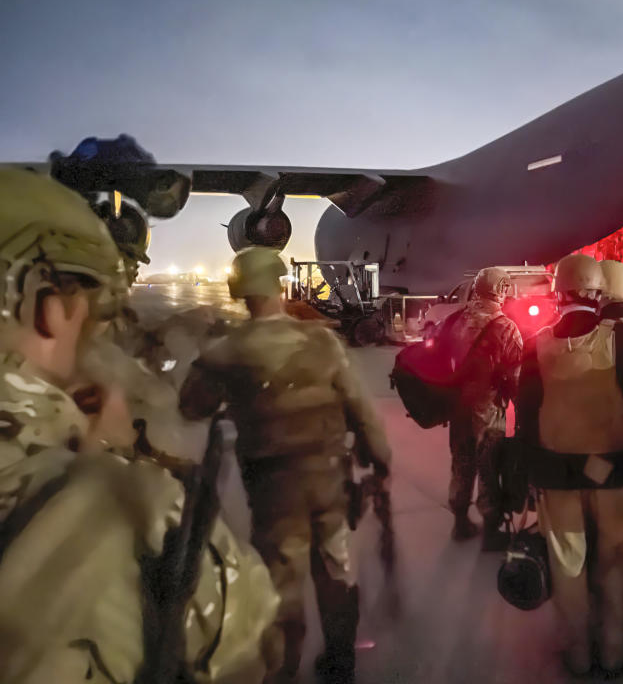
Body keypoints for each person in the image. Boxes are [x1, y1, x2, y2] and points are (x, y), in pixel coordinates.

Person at [0, 170, 278, 684]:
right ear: (48, 307)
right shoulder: (128, 511)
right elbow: (257, 644)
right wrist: (122, 459)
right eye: (90, 304)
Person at [179, 245, 391, 684]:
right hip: (330, 480)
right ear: (279, 285)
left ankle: (284, 670)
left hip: (275, 490)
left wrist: (205, 350)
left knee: (283, 583)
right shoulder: (321, 341)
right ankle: (340, 662)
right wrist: (379, 459)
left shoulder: (227, 351)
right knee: (336, 570)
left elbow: (192, 406)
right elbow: (360, 407)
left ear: (239, 291)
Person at [517, 254, 623, 675]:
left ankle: (578, 655)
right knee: (615, 560)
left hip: (555, 472)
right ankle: (615, 650)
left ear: (559, 292)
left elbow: (526, 413)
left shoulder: (537, 342)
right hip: (614, 469)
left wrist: (527, 474)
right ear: (597, 291)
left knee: (568, 562)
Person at [442, 266, 523, 549]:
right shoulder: (506, 327)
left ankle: (459, 522)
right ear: (500, 289)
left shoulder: (455, 321)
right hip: (490, 412)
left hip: (459, 409)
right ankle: (491, 531)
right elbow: (516, 377)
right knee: (490, 469)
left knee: (461, 464)